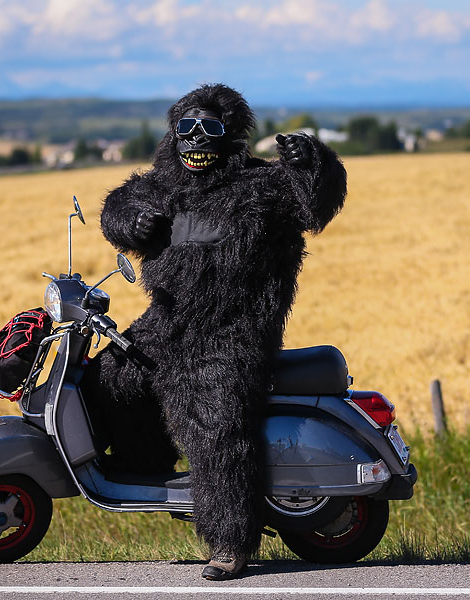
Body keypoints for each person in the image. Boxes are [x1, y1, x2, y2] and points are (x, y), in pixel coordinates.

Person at [82, 83, 346, 580]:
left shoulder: (262, 186)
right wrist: (128, 220)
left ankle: (229, 544)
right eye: (187, 128)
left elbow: (315, 206)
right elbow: (118, 205)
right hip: (167, 320)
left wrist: (314, 160)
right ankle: (148, 468)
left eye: (209, 128)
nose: (197, 138)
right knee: (109, 379)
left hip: (234, 332)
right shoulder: (161, 185)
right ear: (173, 133)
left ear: (231, 136)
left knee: (216, 426)